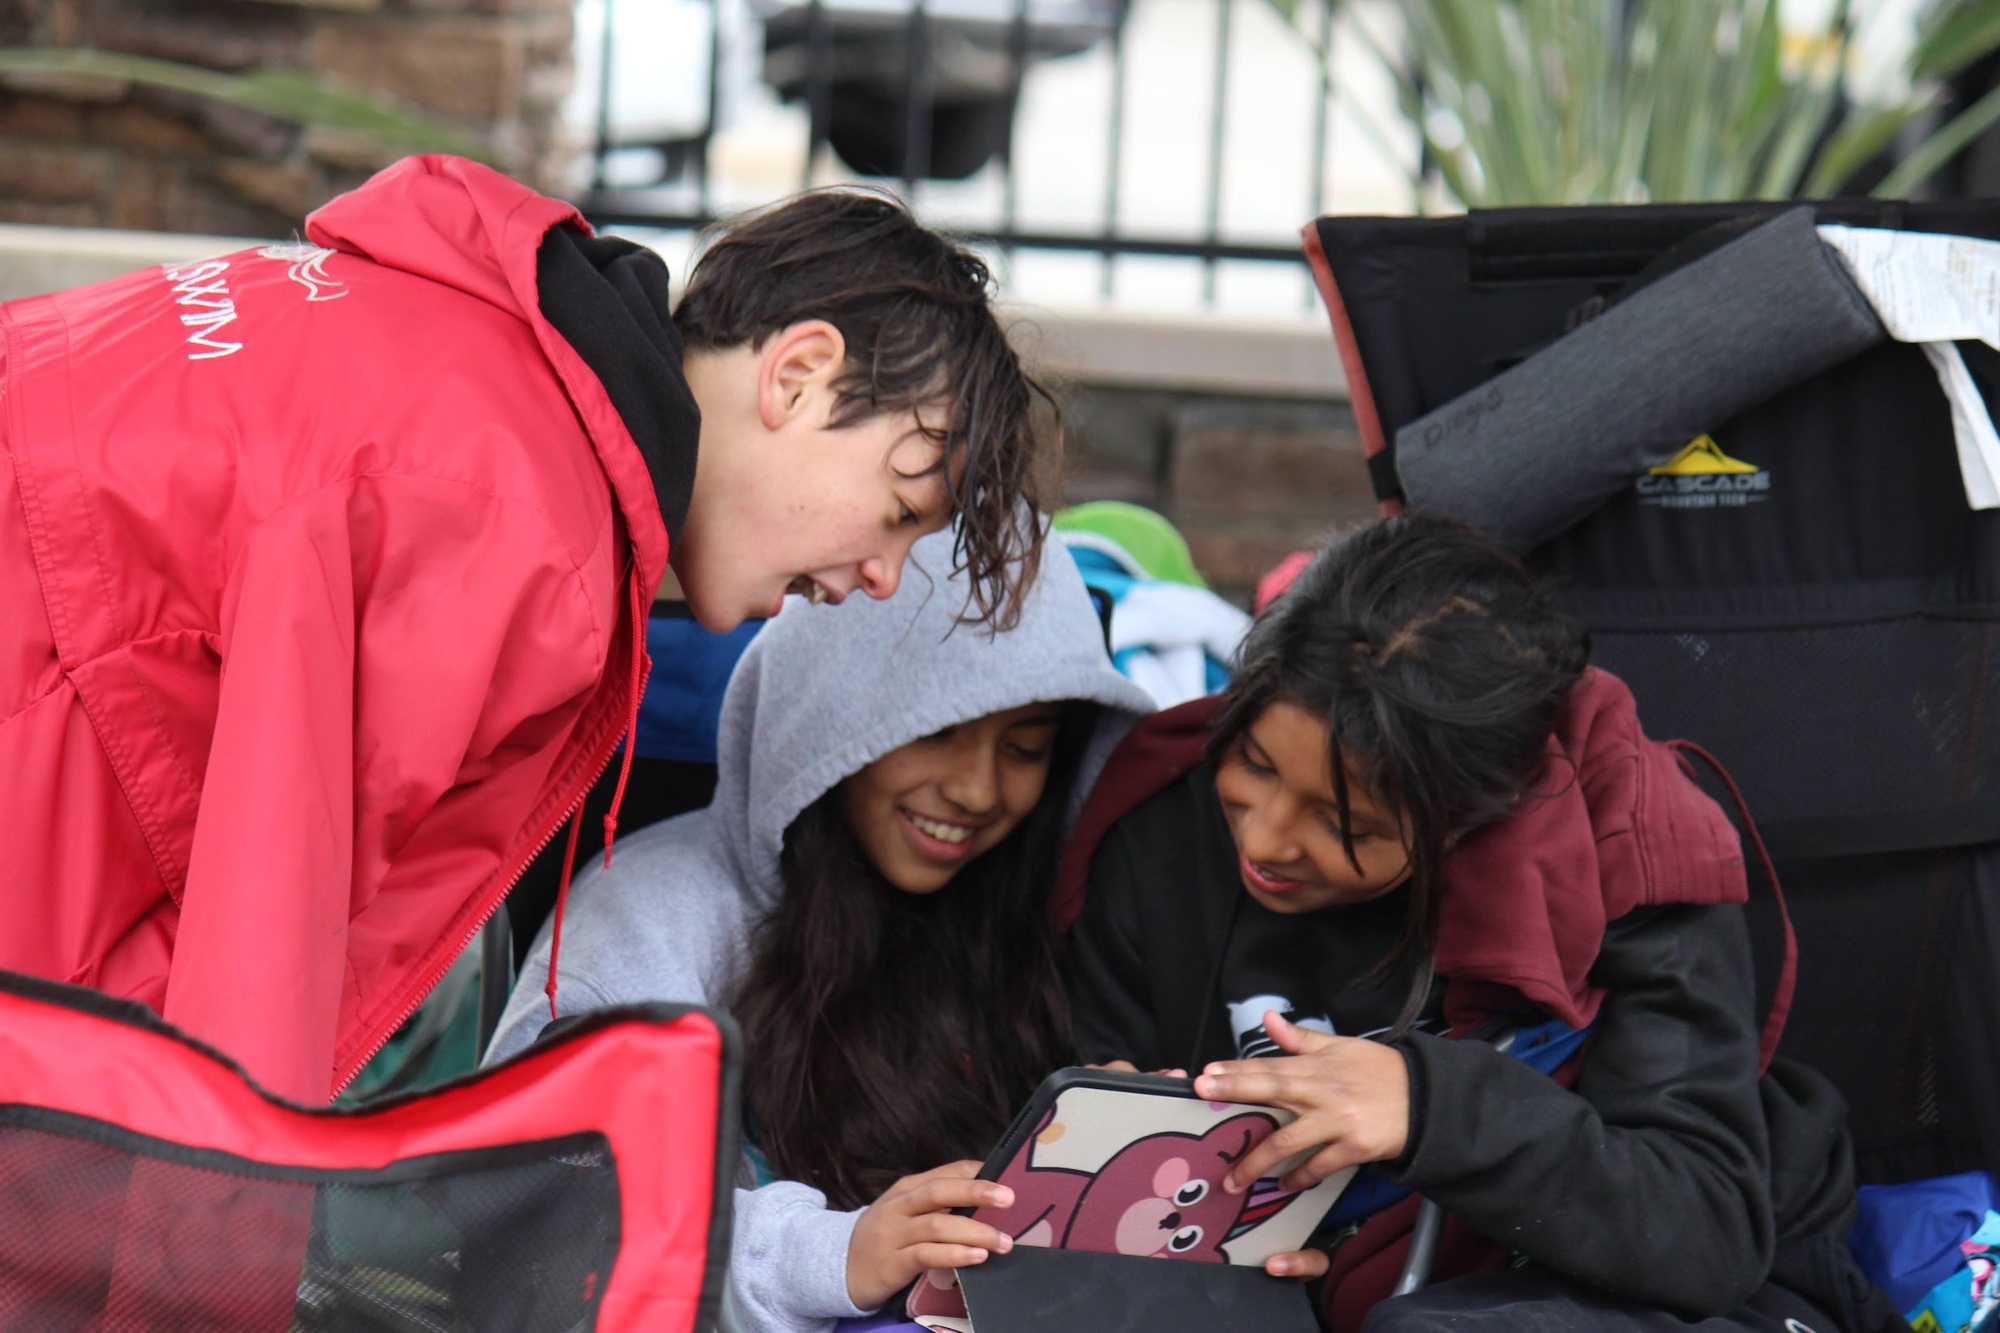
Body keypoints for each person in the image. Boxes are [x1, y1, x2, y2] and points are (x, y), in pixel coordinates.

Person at [0, 153, 1050, 1104]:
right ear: (798, 375)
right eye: (900, 511)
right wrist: (202, 1243)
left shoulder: (472, 333)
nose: (880, 578)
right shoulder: (530, 527)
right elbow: (262, 943)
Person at [1057, 516, 1887, 1332]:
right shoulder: (1161, 820)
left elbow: (1703, 1230)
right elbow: (1107, 1107)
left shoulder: (1625, 866)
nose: (1267, 838)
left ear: (1469, 819)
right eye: (1254, 762)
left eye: (1346, 824)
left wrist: (1429, 1107)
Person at [486, 530, 1153, 1333]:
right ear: (830, 715)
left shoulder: (1035, 912)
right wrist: (832, 1256)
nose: (977, 790)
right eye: (937, 730)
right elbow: (542, 1207)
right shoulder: (647, 917)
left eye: (1025, 747)